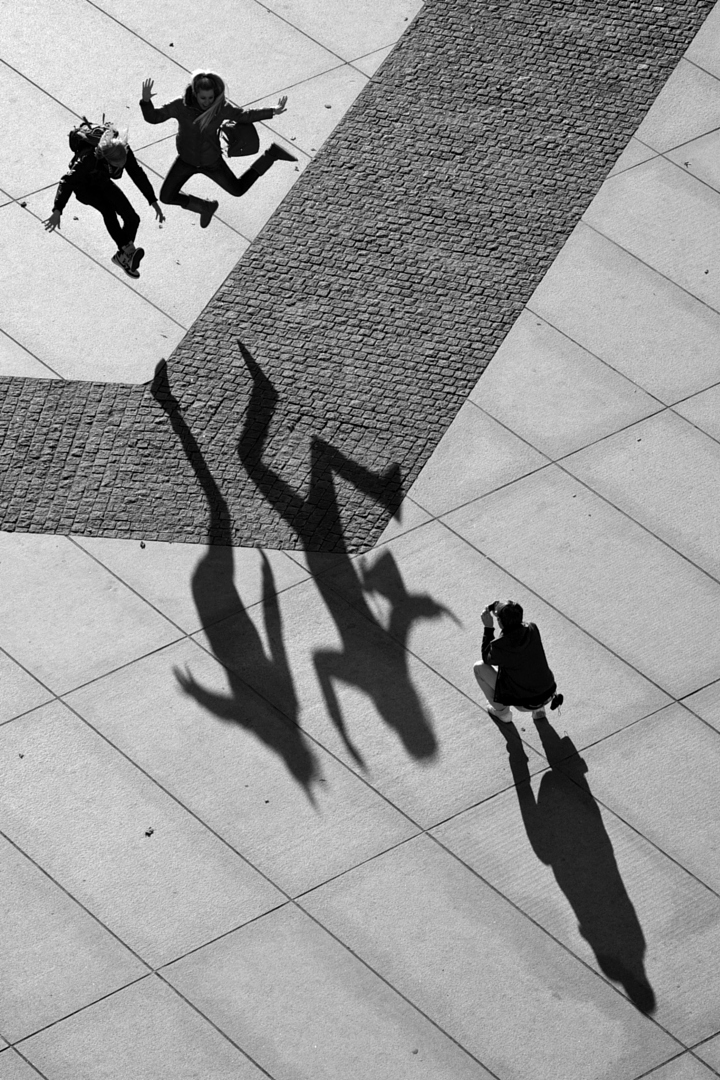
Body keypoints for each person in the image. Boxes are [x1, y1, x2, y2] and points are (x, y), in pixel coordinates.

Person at [139, 70, 296, 228]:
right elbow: (154, 117)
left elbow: (244, 115)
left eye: (210, 98)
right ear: (195, 93)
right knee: (166, 196)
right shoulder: (181, 106)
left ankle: (271, 155)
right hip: (186, 161)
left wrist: (272, 111)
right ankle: (205, 207)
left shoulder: (220, 108)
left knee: (238, 189)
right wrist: (146, 101)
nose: (207, 102)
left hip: (211, 161)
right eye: (203, 98)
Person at [44, 127, 164, 278]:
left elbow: (136, 173)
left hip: (101, 180)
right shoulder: (89, 159)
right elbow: (67, 181)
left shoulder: (122, 150)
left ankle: (123, 256)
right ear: (106, 160)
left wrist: (152, 199)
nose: (120, 170)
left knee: (133, 218)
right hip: (84, 187)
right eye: (117, 167)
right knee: (108, 211)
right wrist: (57, 210)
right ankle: (126, 254)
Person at [473, 600, 562, 723]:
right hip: (547, 693)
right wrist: (504, 611)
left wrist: (488, 628)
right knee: (528, 660)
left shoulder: (501, 647)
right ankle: (539, 711)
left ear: (499, 622)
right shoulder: (532, 628)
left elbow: (486, 657)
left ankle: (502, 713)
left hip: (525, 703)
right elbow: (516, 633)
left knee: (479, 668)